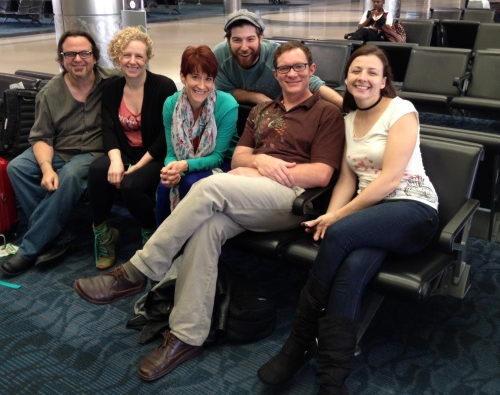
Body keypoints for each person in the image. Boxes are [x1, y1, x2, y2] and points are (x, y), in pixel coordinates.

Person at [73, 41, 345, 382]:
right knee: (207, 228)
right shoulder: (263, 111)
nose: (292, 74)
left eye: (299, 67)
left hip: (292, 200)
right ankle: (187, 335)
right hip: (251, 194)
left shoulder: (325, 114)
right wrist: (258, 161)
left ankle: (139, 269)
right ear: (275, 75)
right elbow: (241, 158)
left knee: (208, 186)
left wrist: (262, 168)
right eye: (284, 69)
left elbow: (320, 174)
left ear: (312, 70)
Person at [257, 45, 439, 394]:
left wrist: (336, 218)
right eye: (356, 71)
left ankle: (296, 344)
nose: (363, 78)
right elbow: (348, 179)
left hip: (413, 208)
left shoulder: (401, 111)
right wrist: (328, 215)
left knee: (339, 235)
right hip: (371, 215)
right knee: (353, 267)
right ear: (346, 78)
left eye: (372, 72)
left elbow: (388, 180)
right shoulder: (349, 119)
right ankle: (332, 379)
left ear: (385, 80)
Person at [0, 30, 116, 278]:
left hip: (95, 151)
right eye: (70, 54)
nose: (78, 59)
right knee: (17, 168)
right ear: (62, 59)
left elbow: (142, 77)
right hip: (59, 148)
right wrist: (46, 168)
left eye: (84, 53)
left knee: (71, 176)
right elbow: (41, 136)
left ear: (95, 57)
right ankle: (59, 235)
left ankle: (30, 248)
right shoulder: (50, 93)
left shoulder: (112, 81)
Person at [87, 26, 177, 270]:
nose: (133, 61)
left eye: (139, 56)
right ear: (118, 57)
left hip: (155, 155)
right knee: (97, 170)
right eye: (127, 55)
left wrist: (136, 166)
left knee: (131, 185)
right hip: (125, 152)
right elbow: (108, 128)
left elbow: (166, 136)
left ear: (147, 58)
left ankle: (152, 236)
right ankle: (105, 236)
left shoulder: (164, 87)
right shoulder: (111, 88)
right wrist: (115, 160)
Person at [155, 45, 239, 226]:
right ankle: (162, 249)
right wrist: (171, 169)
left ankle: (186, 245)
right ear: (182, 76)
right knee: (164, 187)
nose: (202, 86)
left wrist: (184, 166)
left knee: (190, 184)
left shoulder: (227, 105)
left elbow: (217, 157)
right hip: (185, 162)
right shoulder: (171, 104)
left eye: (208, 79)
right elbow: (171, 153)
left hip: (224, 163)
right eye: (195, 77)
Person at [213, 9, 343, 109]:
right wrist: (256, 97)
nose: (244, 47)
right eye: (237, 40)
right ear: (227, 39)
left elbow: (311, 82)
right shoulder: (219, 56)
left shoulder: (277, 54)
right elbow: (225, 89)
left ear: (261, 38)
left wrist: (345, 106)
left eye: (250, 39)